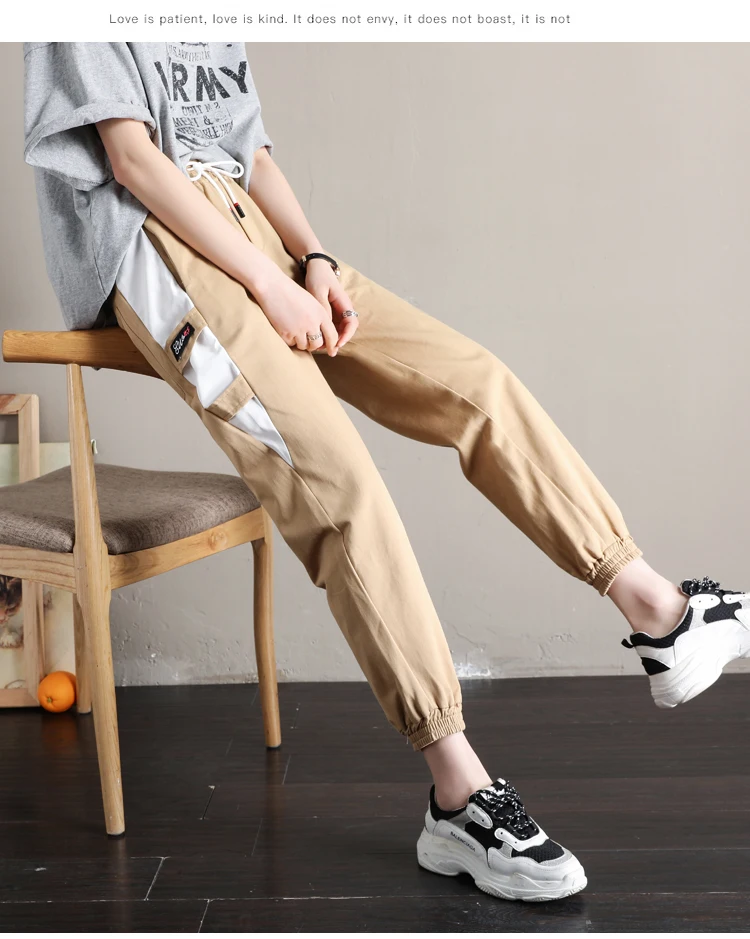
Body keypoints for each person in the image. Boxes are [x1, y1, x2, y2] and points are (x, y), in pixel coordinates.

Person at [23, 41, 750, 903]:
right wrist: (267, 287)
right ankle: (459, 794)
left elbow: (251, 150)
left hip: (252, 229)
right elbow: (133, 159)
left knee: (475, 386)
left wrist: (314, 260)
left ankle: (659, 612)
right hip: (158, 244)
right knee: (339, 484)